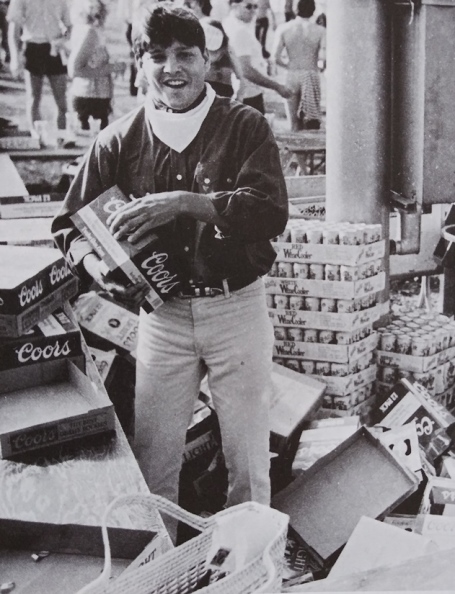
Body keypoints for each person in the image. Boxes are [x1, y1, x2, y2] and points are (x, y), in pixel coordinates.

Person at [52, 4, 288, 518]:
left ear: (207, 59)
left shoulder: (245, 124)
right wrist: (97, 269)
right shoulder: (118, 138)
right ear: (140, 63)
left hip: (235, 307)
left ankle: (249, 561)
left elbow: (270, 211)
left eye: (185, 54)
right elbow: (68, 226)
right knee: (155, 461)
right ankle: (166, 562)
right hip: (162, 317)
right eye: (157, 56)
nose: (172, 68)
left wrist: (185, 203)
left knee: (248, 463)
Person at [7, 0, 71, 132]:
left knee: (61, 101)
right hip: (33, 48)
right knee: (34, 98)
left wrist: (64, 39)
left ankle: (62, 136)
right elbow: (14, 29)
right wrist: (14, 57)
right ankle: (37, 137)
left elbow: (69, 26)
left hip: (55, 48)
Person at [223, 0, 291, 114]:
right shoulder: (240, 31)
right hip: (248, 96)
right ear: (234, 6)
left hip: (238, 94)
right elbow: (246, 70)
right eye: (248, 6)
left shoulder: (228, 23)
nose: (254, 11)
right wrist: (277, 87)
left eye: (256, 7)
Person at [68, 0, 126, 131]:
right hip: (90, 99)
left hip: (95, 95)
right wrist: (111, 68)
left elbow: (92, 61)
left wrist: (113, 66)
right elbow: (75, 70)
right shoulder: (90, 32)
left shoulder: (87, 29)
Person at [273, 0, 325, 130]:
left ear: (296, 10)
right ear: (313, 10)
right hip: (311, 73)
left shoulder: (284, 28)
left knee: (294, 125)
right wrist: (320, 67)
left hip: (292, 74)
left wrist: (289, 66)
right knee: (311, 123)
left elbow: (275, 57)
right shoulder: (320, 31)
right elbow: (324, 58)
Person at [183, 0, 245, 98]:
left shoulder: (205, 26)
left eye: (187, 4)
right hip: (221, 89)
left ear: (199, 5)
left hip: (210, 90)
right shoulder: (212, 25)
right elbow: (239, 73)